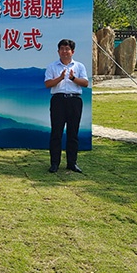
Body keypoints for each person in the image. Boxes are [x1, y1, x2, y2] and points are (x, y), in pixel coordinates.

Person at [44, 39, 88, 173]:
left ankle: (72, 163)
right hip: (58, 100)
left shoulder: (79, 66)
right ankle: (54, 163)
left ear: (72, 51)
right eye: (62, 49)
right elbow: (48, 84)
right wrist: (61, 77)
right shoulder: (52, 66)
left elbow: (85, 83)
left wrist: (73, 78)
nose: (64, 51)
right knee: (56, 132)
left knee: (73, 133)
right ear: (58, 51)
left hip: (75, 100)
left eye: (67, 49)